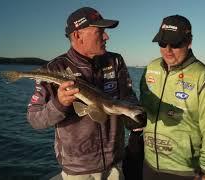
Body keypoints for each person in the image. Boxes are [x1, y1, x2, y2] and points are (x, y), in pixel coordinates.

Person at [27, 7, 145, 180]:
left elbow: (128, 96)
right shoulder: (53, 70)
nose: (106, 37)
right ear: (77, 35)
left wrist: (132, 116)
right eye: (100, 32)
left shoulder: (115, 61)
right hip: (78, 170)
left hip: (115, 164)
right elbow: (35, 119)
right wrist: (59, 104)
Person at [139, 15, 205, 180]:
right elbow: (143, 106)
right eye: (162, 43)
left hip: (185, 170)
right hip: (149, 163)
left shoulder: (204, 76)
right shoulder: (151, 68)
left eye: (175, 44)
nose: (168, 50)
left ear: (189, 41)